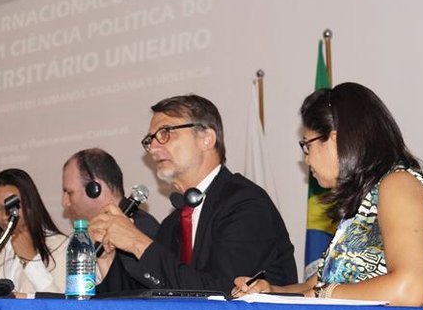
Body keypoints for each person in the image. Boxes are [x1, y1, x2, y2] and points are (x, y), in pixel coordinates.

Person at [231, 82, 423, 310]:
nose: (306, 159)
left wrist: (321, 294)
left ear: (336, 139)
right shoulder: (361, 204)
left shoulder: (398, 186)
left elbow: (411, 289)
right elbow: (313, 285)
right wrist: (271, 292)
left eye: (307, 145)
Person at [89, 94, 297, 293]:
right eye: (149, 140)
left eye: (165, 133)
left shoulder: (245, 204)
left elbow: (223, 294)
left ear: (206, 138)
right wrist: (106, 259)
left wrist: (137, 242)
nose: (152, 148)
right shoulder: (173, 223)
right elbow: (147, 297)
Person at [0, 168, 68, 296]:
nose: (5, 216)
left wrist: (32, 260)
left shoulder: (60, 245)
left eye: (12, 207)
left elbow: (61, 306)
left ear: (30, 204)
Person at [61, 148, 160, 238]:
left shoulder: (139, 230)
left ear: (94, 189)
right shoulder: (94, 233)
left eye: (70, 193)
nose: (64, 203)